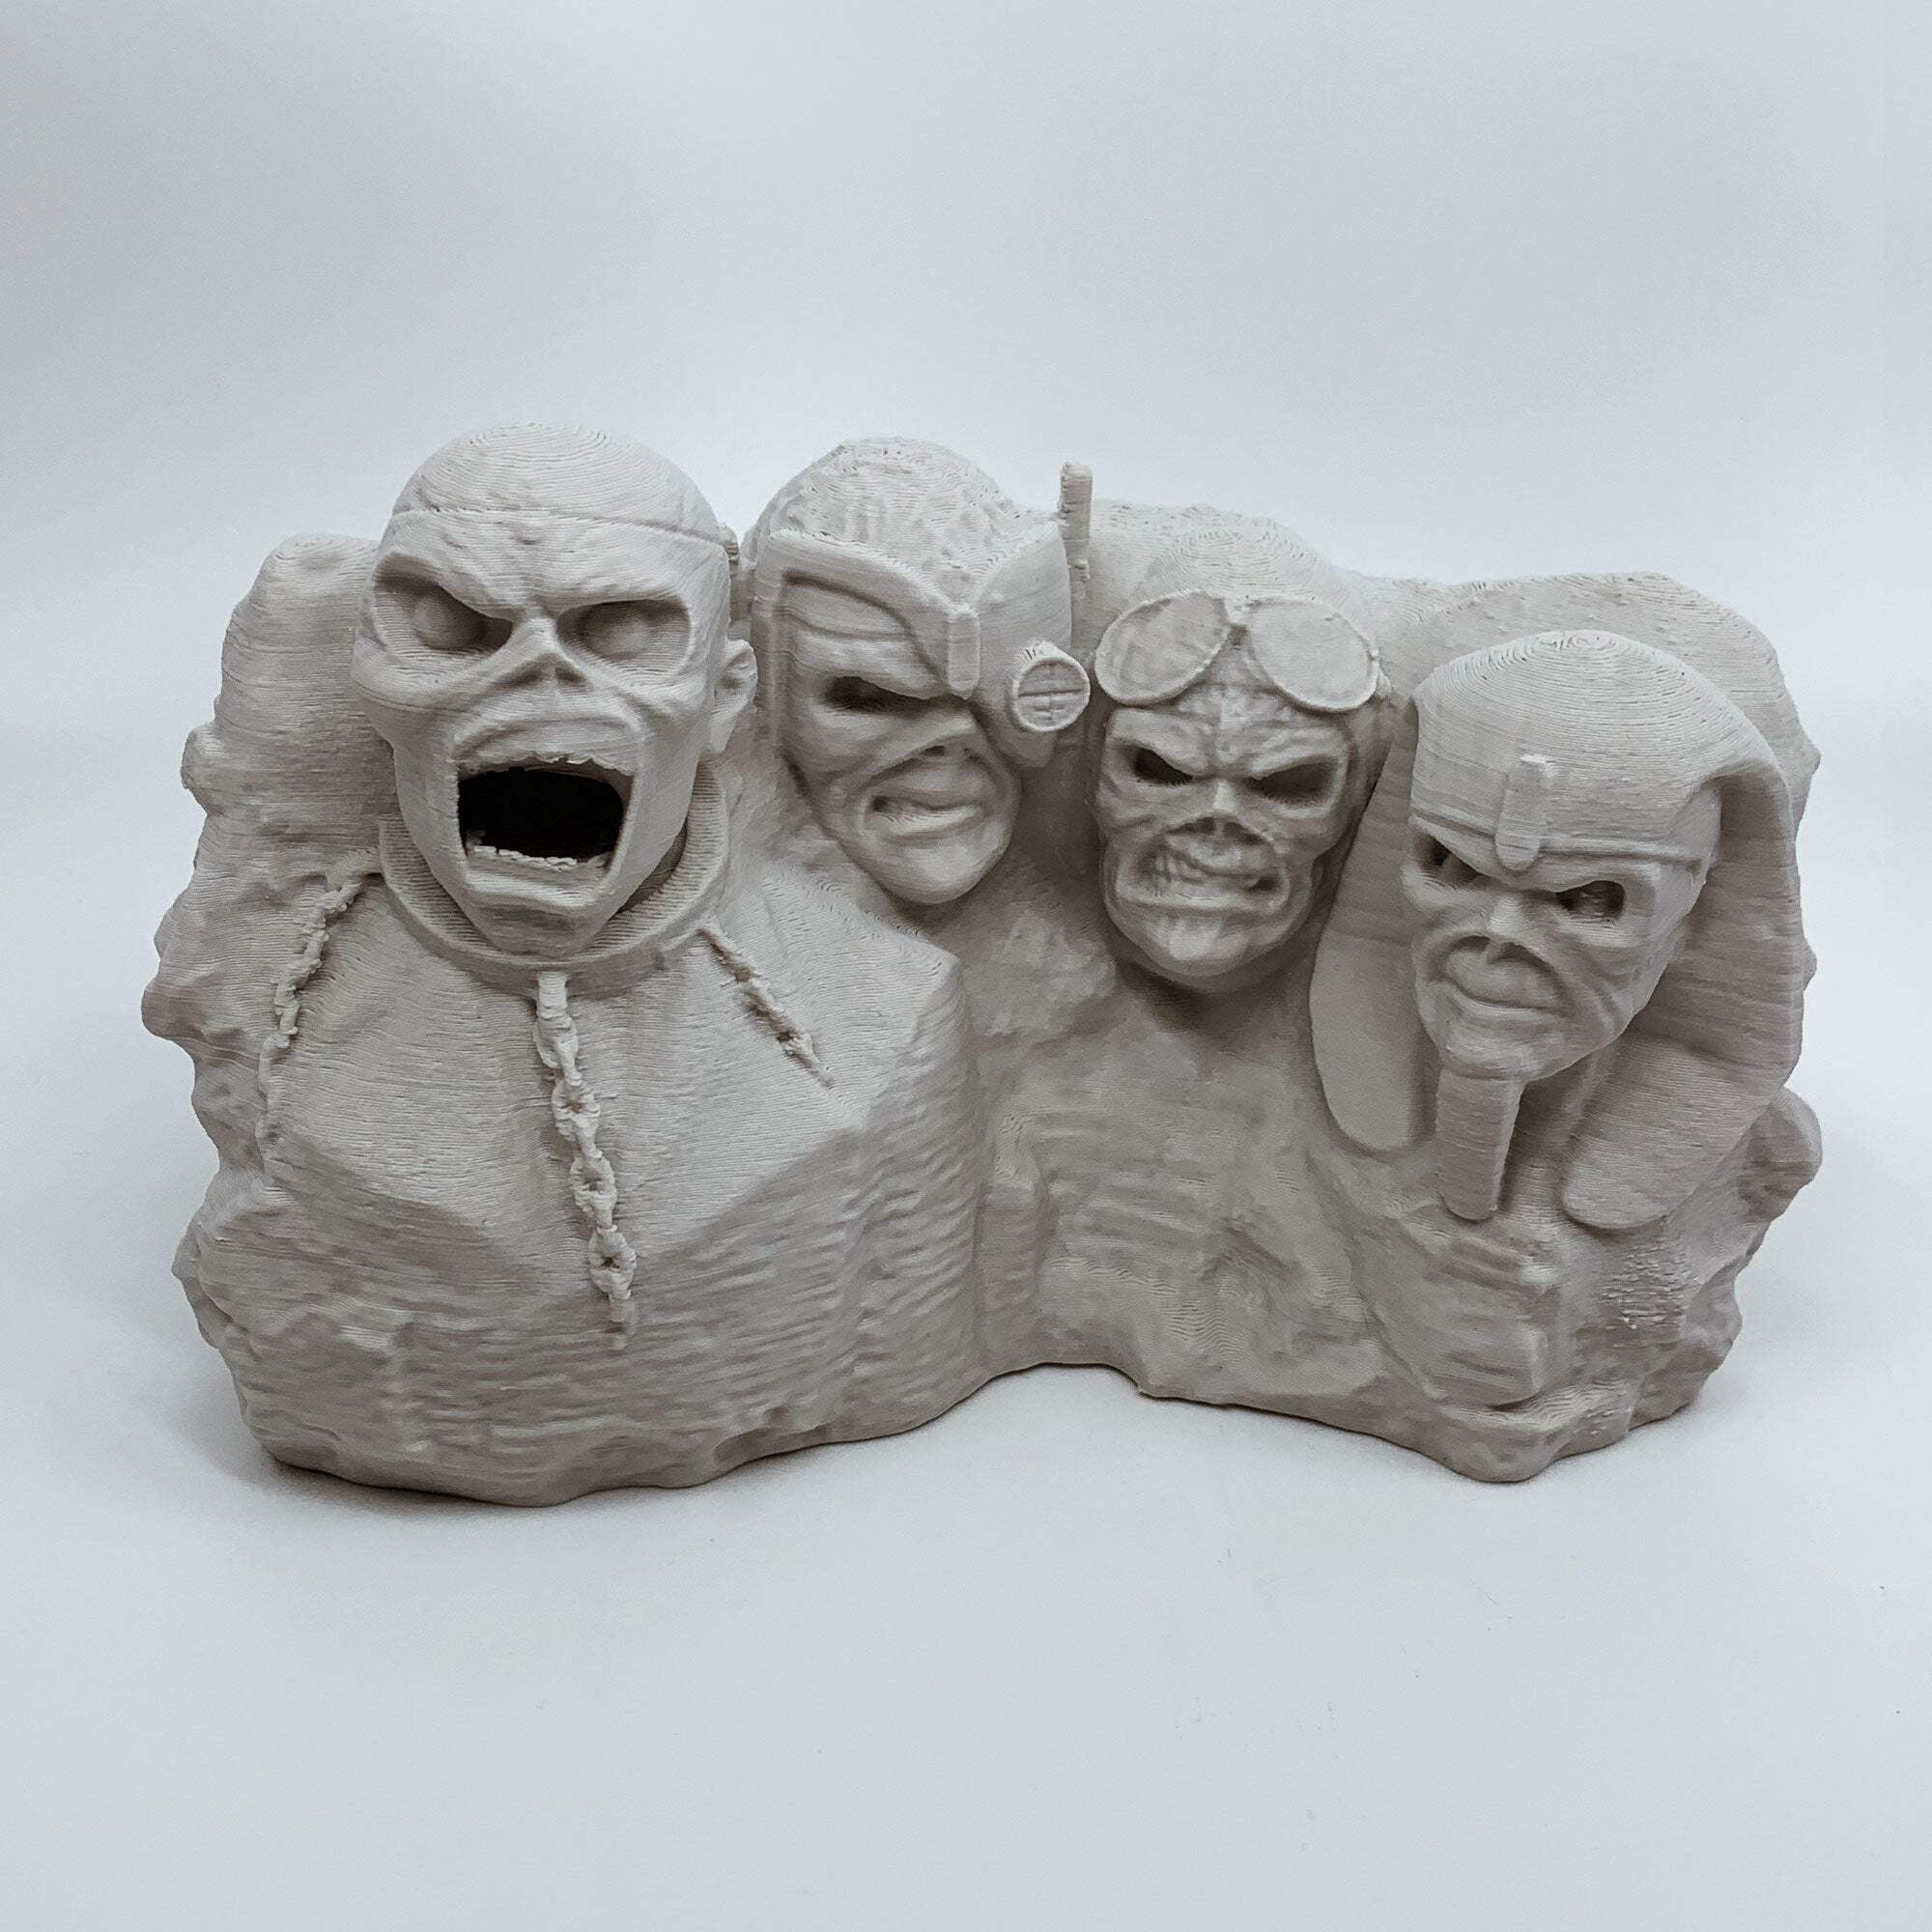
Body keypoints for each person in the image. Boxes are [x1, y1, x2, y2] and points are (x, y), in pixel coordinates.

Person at [147, 424, 987, 1503]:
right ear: (369, 683)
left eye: (621, 632)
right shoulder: (278, 1004)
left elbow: (906, 1324)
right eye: (451, 626)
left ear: (725, 695)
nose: (536, 672)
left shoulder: (886, 1015)